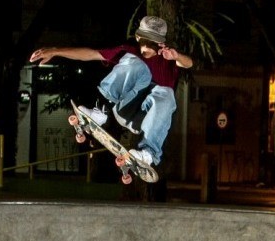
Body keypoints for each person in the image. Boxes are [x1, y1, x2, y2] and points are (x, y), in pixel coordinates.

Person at [28, 16, 193, 169]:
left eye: (152, 43)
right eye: (144, 41)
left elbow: (188, 63)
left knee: (167, 93)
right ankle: (100, 112)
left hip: (147, 118)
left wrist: (176, 56)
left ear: (160, 43)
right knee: (135, 63)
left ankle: (148, 154)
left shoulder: (168, 58)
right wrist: (56, 50)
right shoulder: (130, 51)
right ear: (138, 38)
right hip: (125, 108)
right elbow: (90, 54)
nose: (146, 47)